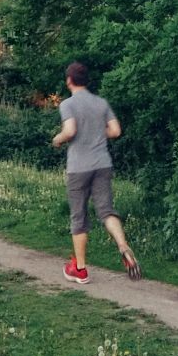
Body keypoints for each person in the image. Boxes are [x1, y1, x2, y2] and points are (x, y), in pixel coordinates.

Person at [51, 61, 141, 284]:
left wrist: (58, 139)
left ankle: (80, 269)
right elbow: (116, 131)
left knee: (78, 216)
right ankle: (122, 245)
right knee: (106, 211)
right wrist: (95, 132)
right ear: (87, 80)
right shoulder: (101, 103)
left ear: (69, 80)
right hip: (102, 164)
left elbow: (70, 131)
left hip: (79, 167)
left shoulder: (68, 104)